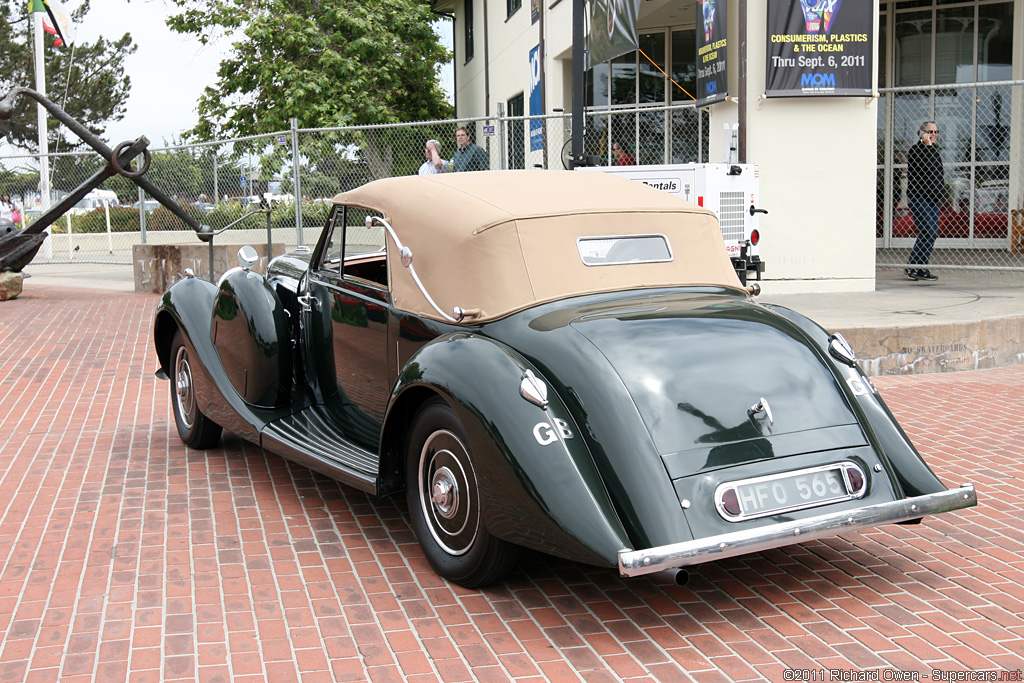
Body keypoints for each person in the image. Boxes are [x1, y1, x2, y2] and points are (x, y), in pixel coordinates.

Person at [905, 121, 942, 281]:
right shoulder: (916, 151)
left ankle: (921, 267)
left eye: (936, 132)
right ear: (921, 133)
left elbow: (937, 171)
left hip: (933, 198)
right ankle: (913, 265)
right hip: (919, 197)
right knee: (928, 231)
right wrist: (926, 147)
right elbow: (925, 168)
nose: (933, 135)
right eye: (930, 131)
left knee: (930, 234)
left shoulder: (934, 151)